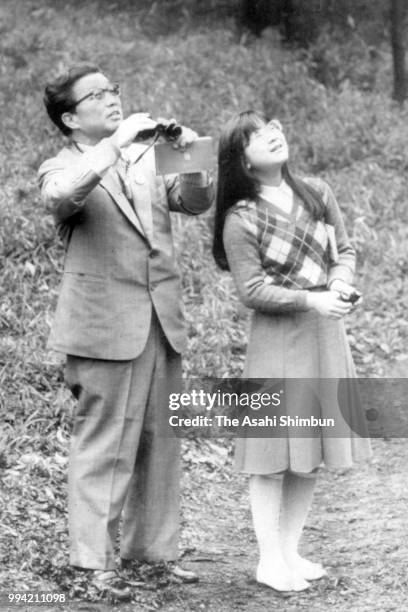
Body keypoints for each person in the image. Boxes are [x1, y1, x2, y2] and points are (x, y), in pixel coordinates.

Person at [38, 63, 213, 598]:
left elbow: (196, 202)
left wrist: (191, 152)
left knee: (160, 441)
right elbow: (61, 197)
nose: (113, 98)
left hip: (161, 322)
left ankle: (151, 556)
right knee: (105, 444)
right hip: (103, 327)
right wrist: (114, 145)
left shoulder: (142, 158)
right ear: (70, 117)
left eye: (114, 89)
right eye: (97, 95)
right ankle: (90, 567)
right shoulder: (60, 165)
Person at [213, 111, 371, 592]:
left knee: (311, 449)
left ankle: (289, 550)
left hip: (326, 335)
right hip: (277, 341)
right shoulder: (241, 218)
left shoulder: (317, 193)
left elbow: (345, 250)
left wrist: (340, 283)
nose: (273, 131)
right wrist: (312, 299)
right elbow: (252, 289)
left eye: (274, 125)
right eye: (256, 134)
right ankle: (266, 559)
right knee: (271, 452)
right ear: (241, 159)